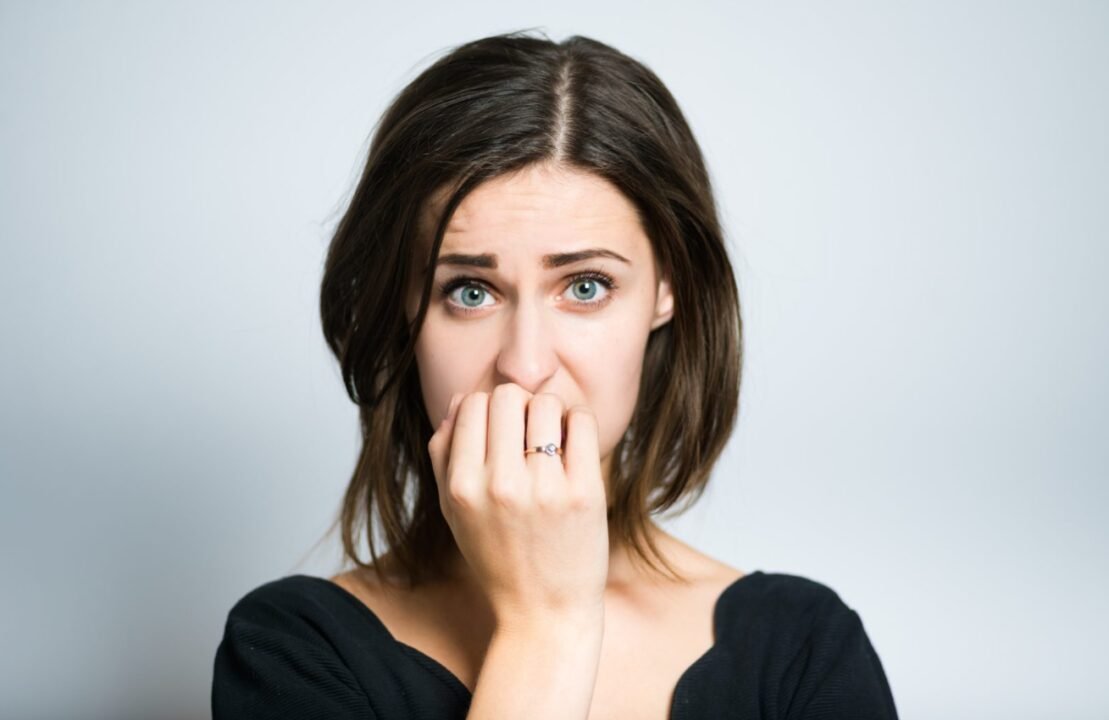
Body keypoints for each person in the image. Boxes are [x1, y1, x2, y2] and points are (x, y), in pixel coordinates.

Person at [211, 30, 899, 720]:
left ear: (666, 288)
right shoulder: (294, 651)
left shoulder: (804, 651)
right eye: (470, 292)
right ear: (405, 307)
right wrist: (548, 623)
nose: (527, 364)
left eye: (586, 285)